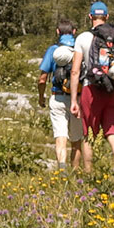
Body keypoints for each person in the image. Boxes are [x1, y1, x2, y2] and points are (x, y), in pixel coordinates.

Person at [69, 1, 114, 172]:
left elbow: (75, 71)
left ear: (90, 17)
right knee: (113, 132)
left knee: (89, 134)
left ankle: (88, 174)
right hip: (113, 89)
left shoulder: (83, 38)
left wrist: (75, 99)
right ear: (107, 16)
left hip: (91, 89)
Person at [38, 21, 85, 170]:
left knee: (61, 136)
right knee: (77, 140)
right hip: (77, 98)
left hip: (57, 97)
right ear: (74, 31)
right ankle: (75, 171)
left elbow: (42, 79)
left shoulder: (53, 50)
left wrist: (41, 97)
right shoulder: (80, 50)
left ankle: (62, 169)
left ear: (57, 32)